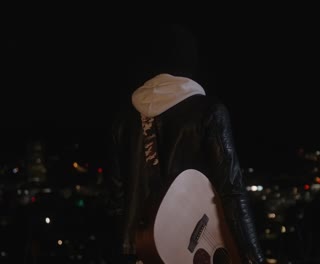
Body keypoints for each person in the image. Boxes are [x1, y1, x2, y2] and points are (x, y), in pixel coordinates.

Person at [104, 23, 265, 264]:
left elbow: (116, 200)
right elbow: (232, 190)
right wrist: (253, 257)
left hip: (142, 251)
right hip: (193, 253)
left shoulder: (123, 120)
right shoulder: (209, 111)